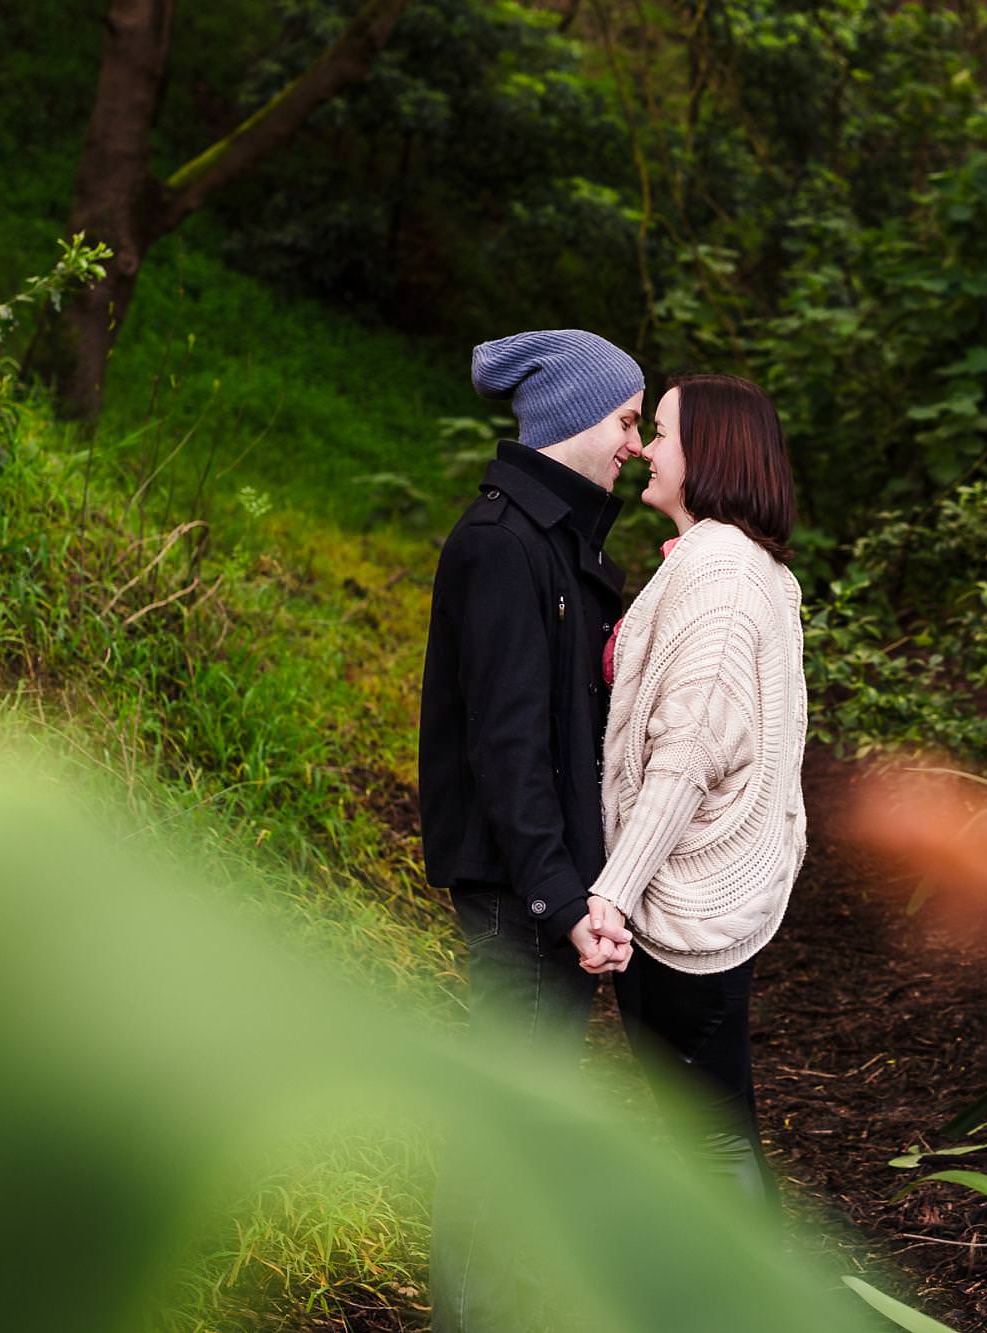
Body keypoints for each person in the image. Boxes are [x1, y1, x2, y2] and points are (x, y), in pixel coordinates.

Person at [417, 328, 646, 1332]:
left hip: (548, 888)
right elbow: (508, 750)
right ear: (571, 421)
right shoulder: (500, 542)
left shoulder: (561, 541)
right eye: (627, 420)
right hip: (520, 897)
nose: (635, 443)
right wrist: (559, 900)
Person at [584, 372, 808, 1201]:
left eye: (665, 433)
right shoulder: (744, 568)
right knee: (715, 1124)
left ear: (709, 451)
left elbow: (687, 755)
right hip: (702, 890)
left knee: (710, 1135)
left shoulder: (719, 575)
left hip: (686, 897)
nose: (645, 448)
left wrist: (614, 890)